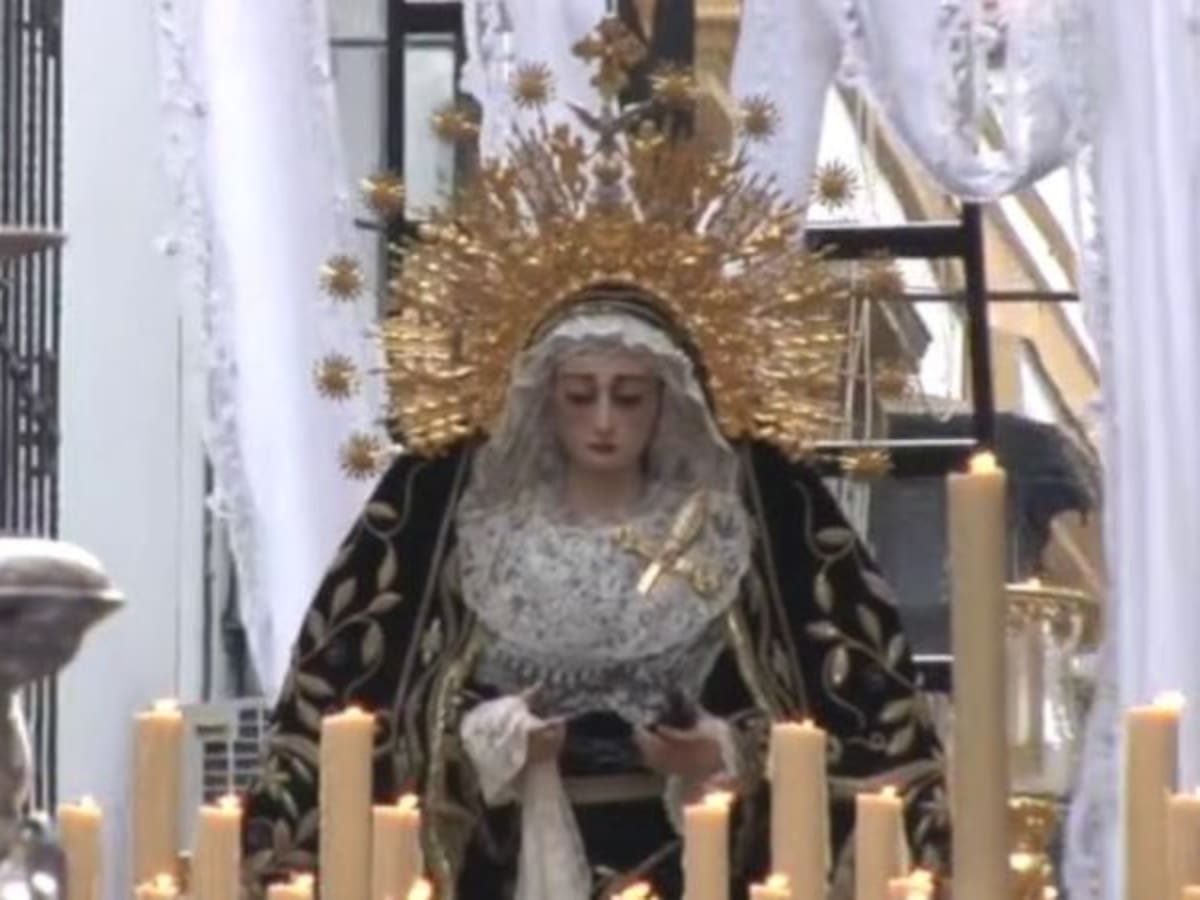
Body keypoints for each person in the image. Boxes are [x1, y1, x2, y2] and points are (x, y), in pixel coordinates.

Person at [240, 298, 949, 899]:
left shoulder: (742, 524)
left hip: (691, 861)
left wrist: (721, 752)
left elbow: (825, 715)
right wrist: (497, 741)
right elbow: (384, 712)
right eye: (581, 395)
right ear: (544, 398)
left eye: (629, 395)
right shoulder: (472, 526)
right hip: (508, 863)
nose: (604, 419)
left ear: (668, 398)